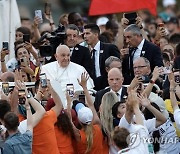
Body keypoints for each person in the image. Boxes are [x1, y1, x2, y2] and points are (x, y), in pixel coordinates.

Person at [69, 72, 104, 154]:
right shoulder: (98, 128)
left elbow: (69, 118)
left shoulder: (79, 135)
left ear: (79, 119)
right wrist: (84, 87)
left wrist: (68, 101)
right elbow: (91, 105)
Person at [83, 23, 120, 90]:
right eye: (84, 34)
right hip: (94, 88)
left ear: (96, 34)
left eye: (88, 33)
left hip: (110, 86)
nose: (85, 36)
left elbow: (118, 67)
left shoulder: (110, 48)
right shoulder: (85, 52)